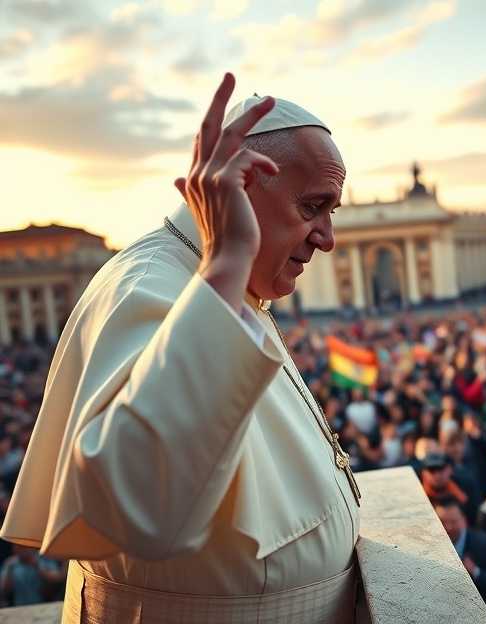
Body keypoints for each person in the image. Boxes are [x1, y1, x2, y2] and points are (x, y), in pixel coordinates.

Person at [0, 76, 361, 623]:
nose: (326, 236)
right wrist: (228, 261)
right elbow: (138, 503)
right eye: (314, 207)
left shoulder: (230, 284)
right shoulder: (145, 283)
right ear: (240, 187)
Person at [434, 497, 486, 623]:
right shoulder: (430, 544)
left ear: (464, 521)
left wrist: (475, 571)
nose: (448, 527)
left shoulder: (484, 543)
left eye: (453, 521)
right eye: (442, 522)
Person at [0, 545, 64, 606]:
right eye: (17, 547)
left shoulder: (44, 558)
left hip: (44, 605)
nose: (20, 550)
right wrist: (9, 570)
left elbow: (58, 578)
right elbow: (4, 590)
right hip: (19, 606)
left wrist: (37, 566)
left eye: (23, 547)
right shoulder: (11, 563)